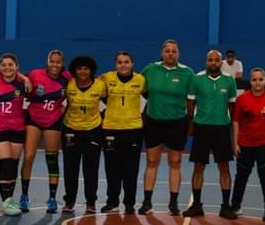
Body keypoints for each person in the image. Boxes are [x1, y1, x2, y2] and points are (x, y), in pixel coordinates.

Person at [140, 40, 194, 215]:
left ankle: (173, 203)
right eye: (167, 51)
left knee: (175, 162)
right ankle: (147, 202)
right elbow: (141, 89)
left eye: (174, 51)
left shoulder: (187, 73)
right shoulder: (150, 69)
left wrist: (191, 122)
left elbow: (191, 99)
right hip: (153, 121)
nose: (171, 54)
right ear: (162, 53)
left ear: (178, 54)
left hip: (177, 122)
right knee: (152, 161)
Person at [184, 50, 237, 219]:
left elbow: (232, 107)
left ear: (221, 62)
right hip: (202, 128)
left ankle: (226, 206)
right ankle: (196, 206)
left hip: (222, 128)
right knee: (199, 166)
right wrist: (191, 124)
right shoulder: (196, 78)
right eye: (210, 60)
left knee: (224, 167)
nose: (213, 63)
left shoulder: (229, 81)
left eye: (216, 60)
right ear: (206, 61)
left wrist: (231, 130)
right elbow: (190, 103)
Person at [101, 52, 146, 214]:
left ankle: (129, 203)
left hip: (133, 129)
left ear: (132, 63)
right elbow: (98, 95)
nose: (123, 65)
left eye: (126, 62)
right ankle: (112, 201)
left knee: (131, 169)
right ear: (115, 64)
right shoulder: (106, 78)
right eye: (120, 62)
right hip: (110, 128)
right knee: (112, 169)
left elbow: (150, 97)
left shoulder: (141, 80)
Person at [22, 50, 68, 214]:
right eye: (52, 61)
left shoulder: (67, 78)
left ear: (62, 64)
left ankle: (52, 198)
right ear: (47, 62)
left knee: (52, 158)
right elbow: (17, 75)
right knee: (28, 156)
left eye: (58, 62)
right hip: (33, 119)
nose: (55, 65)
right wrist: (25, 78)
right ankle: (24, 195)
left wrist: (64, 108)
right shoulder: (35, 74)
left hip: (53, 121)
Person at [230, 68, 265, 221]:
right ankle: (235, 206)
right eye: (254, 80)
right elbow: (236, 121)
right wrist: (235, 142)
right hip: (245, 144)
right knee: (241, 177)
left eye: (260, 79)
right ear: (250, 82)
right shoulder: (242, 99)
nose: (257, 83)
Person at [62, 55, 106, 214]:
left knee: (91, 169)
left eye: (86, 68)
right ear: (74, 70)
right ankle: (69, 201)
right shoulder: (69, 84)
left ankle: (91, 202)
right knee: (70, 168)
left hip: (93, 130)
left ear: (91, 70)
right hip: (70, 130)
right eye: (79, 68)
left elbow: (110, 103)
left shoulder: (100, 85)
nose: (83, 71)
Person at [0, 53, 30, 215]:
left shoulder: (23, 84)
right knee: (5, 162)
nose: (7, 67)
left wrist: (25, 79)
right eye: (4, 65)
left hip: (17, 129)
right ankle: (5, 202)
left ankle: (10, 200)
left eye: (10, 64)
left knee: (13, 165)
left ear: (16, 66)